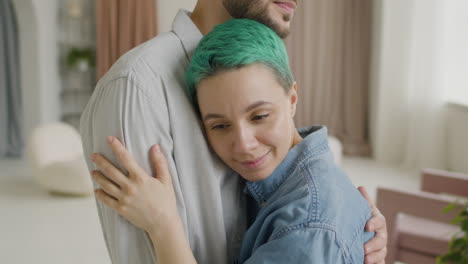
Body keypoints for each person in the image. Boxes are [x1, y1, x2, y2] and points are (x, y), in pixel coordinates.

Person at [80, 1, 387, 263]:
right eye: (220, 125)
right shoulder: (137, 86)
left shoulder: (311, 218)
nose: (244, 144)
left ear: (292, 99)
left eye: (260, 115)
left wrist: (338, 222)